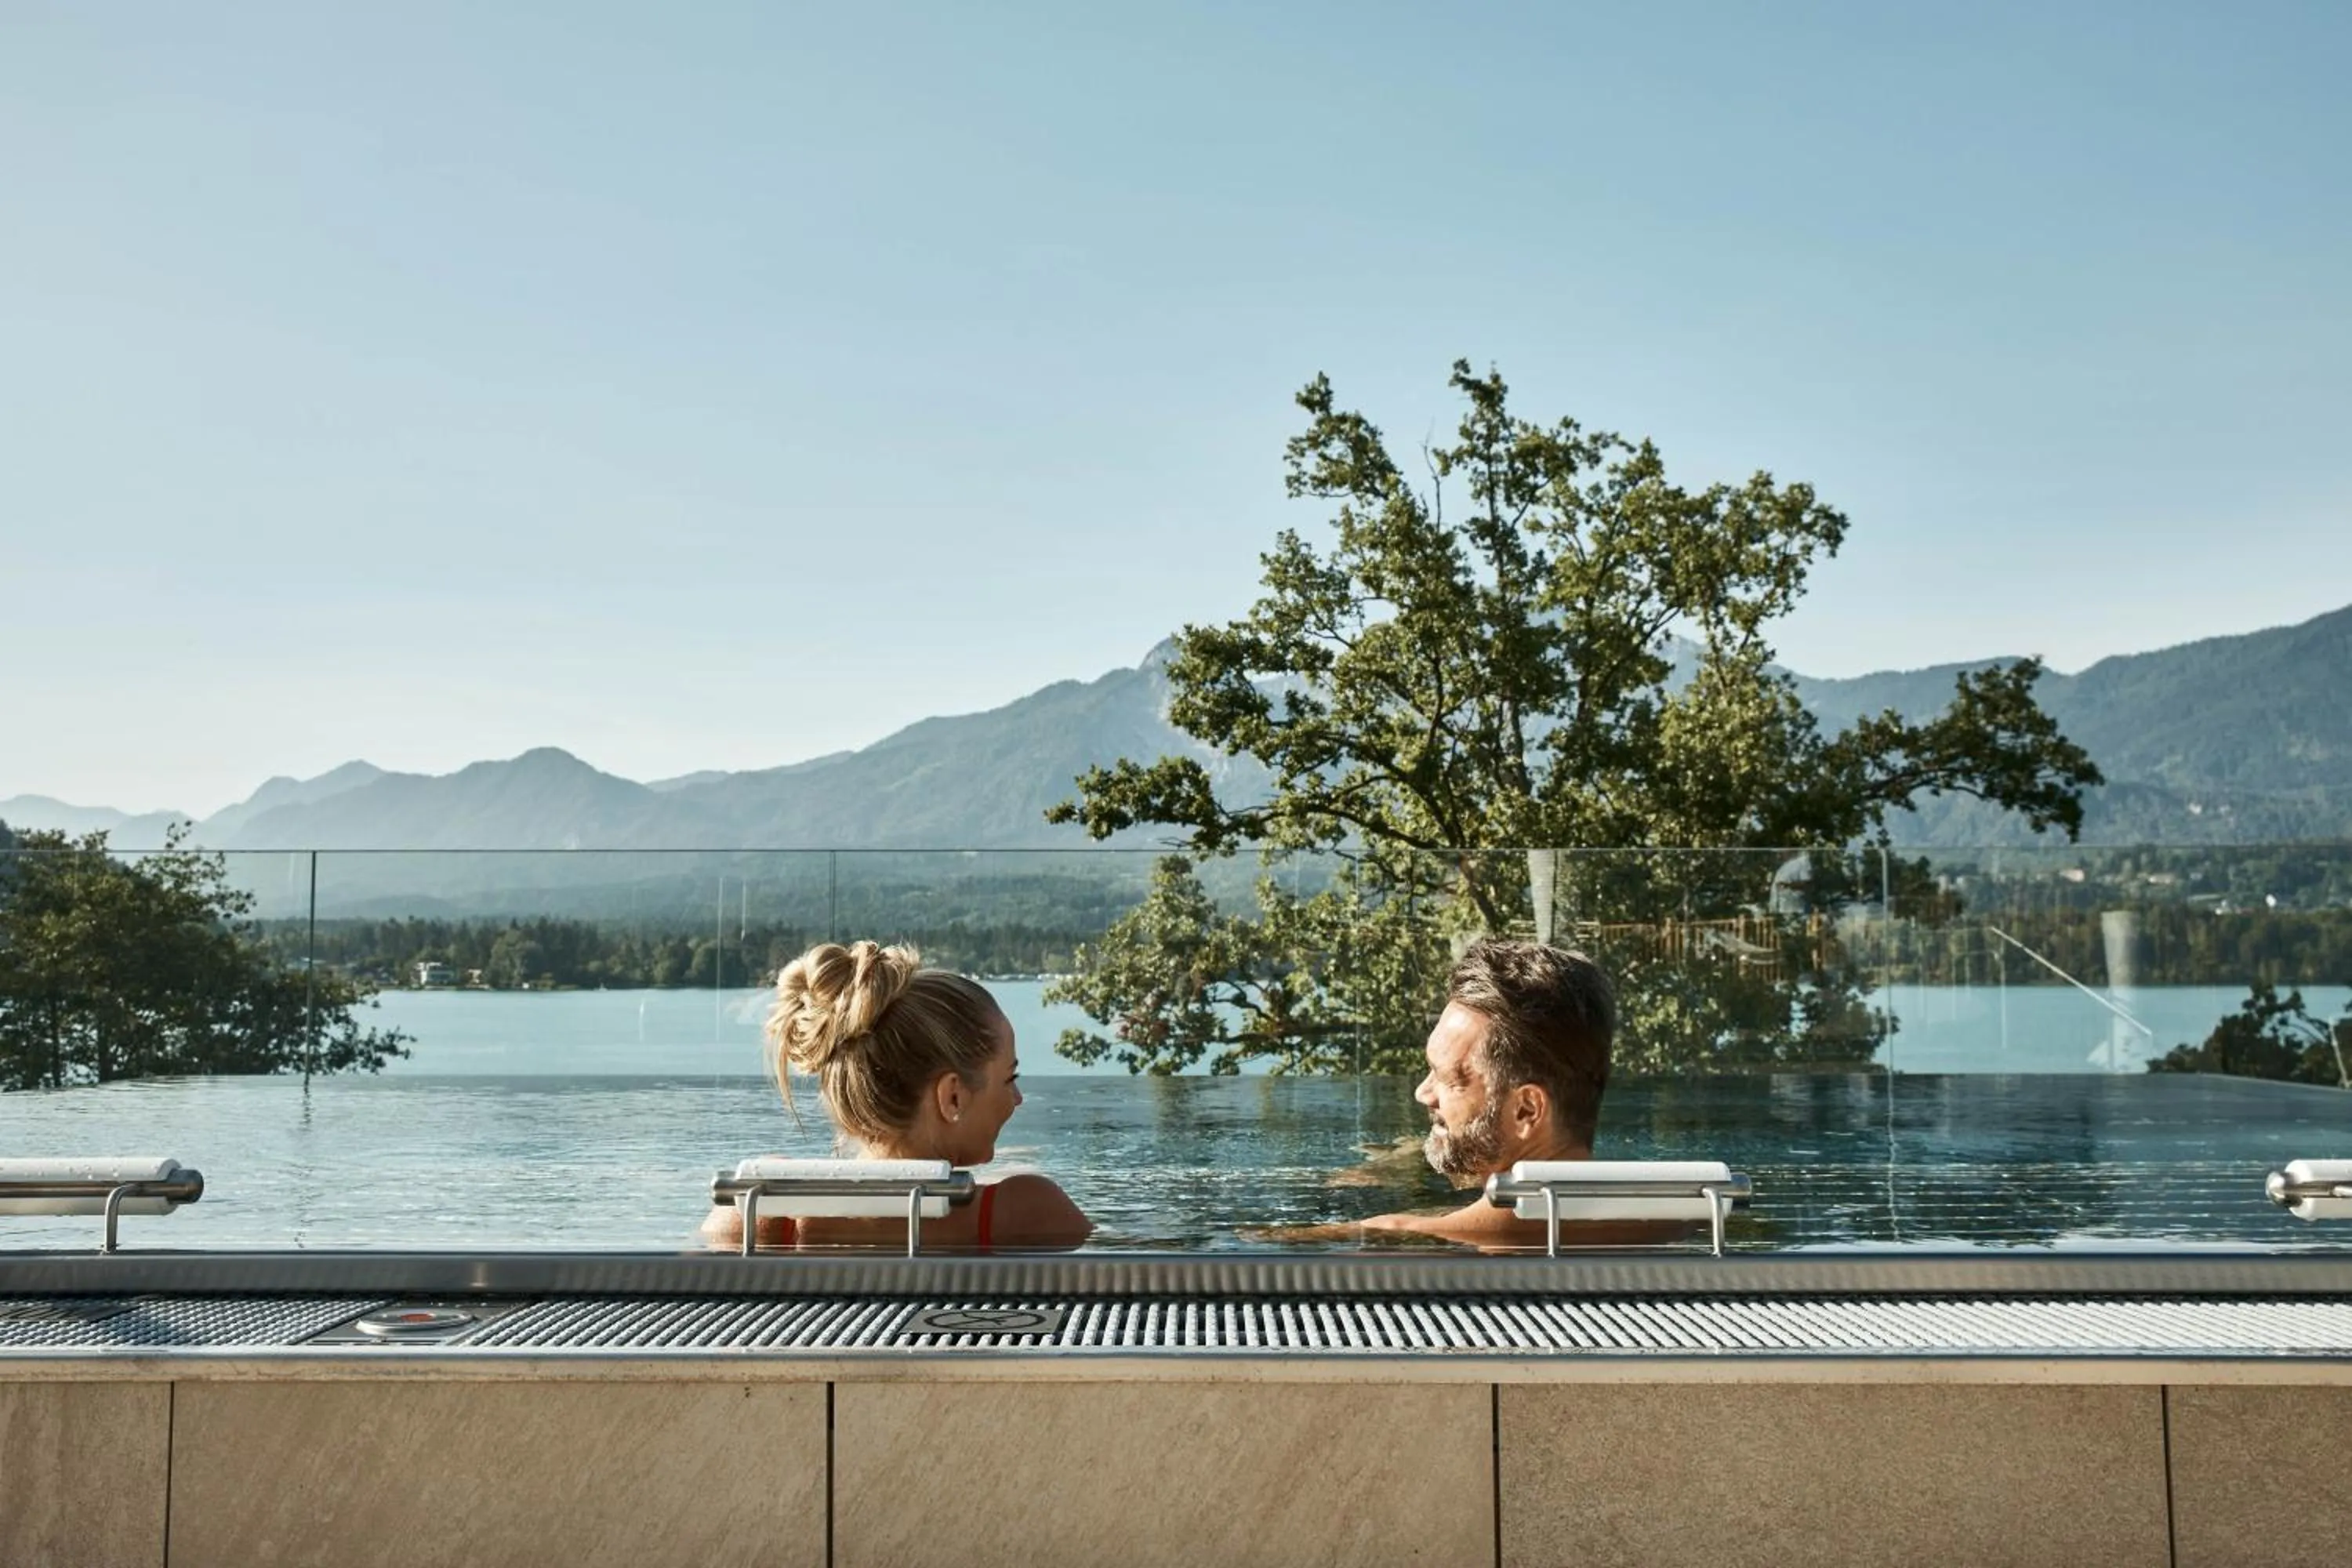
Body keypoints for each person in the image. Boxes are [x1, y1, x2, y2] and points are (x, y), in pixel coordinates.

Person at [1268, 938, 1663, 1250]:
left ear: (1526, 1110)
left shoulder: (1400, 1242)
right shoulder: (1684, 1217)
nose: (1423, 1093)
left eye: (1448, 1078)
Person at [701, 940, 1091, 1251]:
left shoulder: (760, 1212)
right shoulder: (1026, 1214)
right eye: (1010, 1078)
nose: (1018, 1098)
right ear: (952, 1097)